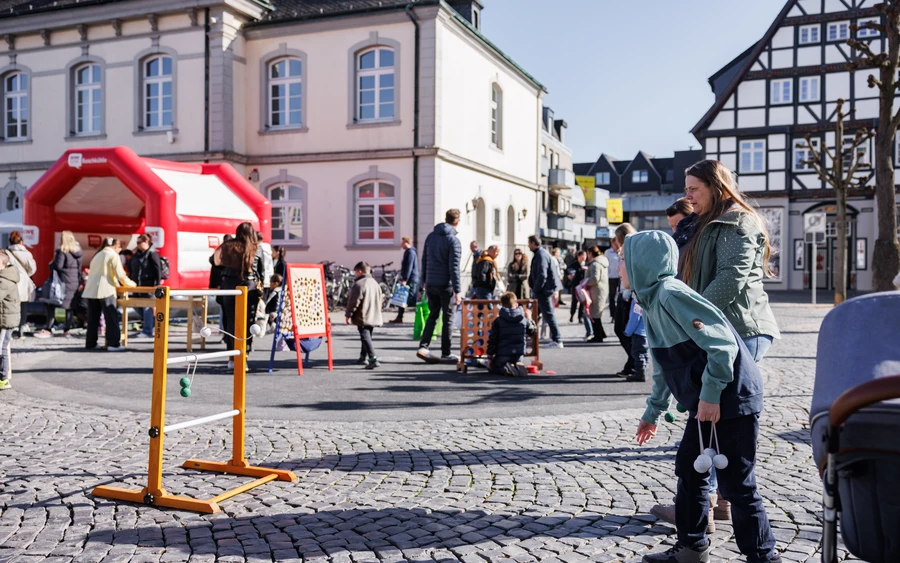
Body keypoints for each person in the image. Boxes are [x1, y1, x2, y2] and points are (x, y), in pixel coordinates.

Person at [625, 231, 780, 563]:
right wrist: (653, 412)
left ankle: (764, 557)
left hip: (732, 396)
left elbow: (722, 345)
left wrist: (710, 395)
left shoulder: (671, 294)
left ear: (642, 263)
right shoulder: (651, 303)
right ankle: (692, 548)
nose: (620, 267)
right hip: (711, 400)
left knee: (737, 483)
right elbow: (665, 366)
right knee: (689, 469)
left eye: (624, 260)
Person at [213, 222, 264, 365]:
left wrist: (225, 270)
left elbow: (214, 261)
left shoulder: (228, 246)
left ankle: (231, 358)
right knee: (249, 322)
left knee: (231, 322)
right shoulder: (256, 248)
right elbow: (261, 272)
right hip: (250, 287)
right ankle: (244, 356)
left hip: (230, 285)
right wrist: (261, 291)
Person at [417, 209, 462, 362]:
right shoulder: (453, 240)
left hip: (431, 282)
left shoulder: (431, 237)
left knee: (433, 315)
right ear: (457, 222)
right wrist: (458, 290)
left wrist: (423, 281)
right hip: (445, 284)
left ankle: (423, 346)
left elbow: (424, 260)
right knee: (448, 317)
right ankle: (446, 352)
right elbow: (454, 267)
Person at [83, 238, 136, 351]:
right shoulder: (113, 255)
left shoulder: (98, 254)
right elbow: (120, 275)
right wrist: (132, 284)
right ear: (116, 247)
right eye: (120, 248)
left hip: (91, 289)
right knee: (111, 317)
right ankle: (113, 343)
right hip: (106, 289)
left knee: (93, 318)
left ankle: (91, 343)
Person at [35, 231, 82, 338]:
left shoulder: (62, 251)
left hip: (62, 283)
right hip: (74, 282)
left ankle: (49, 328)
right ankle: (67, 330)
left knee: (50, 304)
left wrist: (51, 264)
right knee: (69, 307)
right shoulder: (78, 252)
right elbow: (79, 268)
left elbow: (58, 266)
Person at [486, 291, 536, 376]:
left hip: (503, 354)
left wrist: (490, 357)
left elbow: (493, 340)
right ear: (516, 304)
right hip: (519, 354)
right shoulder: (523, 319)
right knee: (515, 360)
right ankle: (517, 365)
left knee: (493, 367)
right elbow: (532, 331)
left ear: (502, 305)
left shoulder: (498, 321)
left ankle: (505, 368)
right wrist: (530, 319)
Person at [346, 261, 384, 369]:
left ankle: (373, 359)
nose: (355, 275)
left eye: (355, 272)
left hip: (363, 315)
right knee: (367, 336)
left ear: (359, 271)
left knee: (365, 336)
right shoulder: (375, 283)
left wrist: (348, 314)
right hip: (373, 314)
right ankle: (363, 357)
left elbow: (353, 302)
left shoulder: (359, 284)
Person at [527, 235, 563, 348]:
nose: (528, 245)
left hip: (543, 291)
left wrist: (536, 289)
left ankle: (557, 339)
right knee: (535, 315)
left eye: (529, 243)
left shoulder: (541, 255)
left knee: (548, 314)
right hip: (542, 290)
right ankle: (531, 338)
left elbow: (542, 274)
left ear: (533, 243)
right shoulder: (540, 254)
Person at [613, 223, 637, 376]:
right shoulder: (627, 250)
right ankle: (632, 361)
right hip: (624, 294)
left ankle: (633, 362)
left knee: (625, 331)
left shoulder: (630, 250)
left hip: (629, 296)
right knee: (622, 330)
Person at [128, 234, 162, 339]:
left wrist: (157, 284)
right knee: (135, 304)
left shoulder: (152, 254)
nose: (137, 245)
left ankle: (147, 331)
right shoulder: (137, 255)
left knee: (147, 307)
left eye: (139, 242)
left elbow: (157, 269)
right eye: (137, 243)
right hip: (137, 285)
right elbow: (132, 268)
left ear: (146, 242)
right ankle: (151, 323)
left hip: (148, 285)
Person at [5, 231, 36, 338]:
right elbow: (33, 269)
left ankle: (10, 330)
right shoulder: (27, 253)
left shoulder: (6, 253)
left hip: (11, 281)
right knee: (23, 307)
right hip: (23, 282)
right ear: (21, 241)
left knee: (11, 307)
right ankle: (21, 330)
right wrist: (25, 274)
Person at [0, 252, 19, 389]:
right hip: (5, 318)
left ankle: (3, 378)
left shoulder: (4, 280)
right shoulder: (6, 277)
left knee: (2, 348)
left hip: (5, 320)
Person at [390, 236, 419, 324]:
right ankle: (400, 316)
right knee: (403, 298)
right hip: (410, 278)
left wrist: (405, 279)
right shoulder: (409, 252)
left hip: (410, 279)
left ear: (407, 243)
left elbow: (409, 267)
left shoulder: (410, 253)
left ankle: (420, 315)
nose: (401, 245)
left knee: (409, 298)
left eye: (403, 243)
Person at [584, 245, 609, 344]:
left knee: (595, 314)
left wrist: (585, 282)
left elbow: (595, 278)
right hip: (601, 290)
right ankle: (601, 333)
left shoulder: (595, 264)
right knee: (596, 313)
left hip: (596, 291)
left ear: (590, 253)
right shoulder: (601, 262)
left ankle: (598, 336)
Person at [622, 287, 648, 383]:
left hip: (638, 332)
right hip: (646, 332)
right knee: (645, 353)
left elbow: (634, 318)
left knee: (637, 353)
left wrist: (628, 331)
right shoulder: (646, 298)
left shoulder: (637, 301)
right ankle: (643, 370)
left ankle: (640, 373)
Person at [567, 250, 593, 340]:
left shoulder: (587, 264)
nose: (584, 257)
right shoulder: (574, 265)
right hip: (576, 285)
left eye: (585, 255)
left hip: (583, 286)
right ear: (578, 256)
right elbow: (569, 271)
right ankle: (572, 314)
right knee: (574, 301)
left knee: (582, 302)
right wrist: (570, 275)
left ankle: (580, 317)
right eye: (582, 256)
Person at [604, 244, 621, 319]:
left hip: (621, 277)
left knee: (621, 296)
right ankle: (613, 315)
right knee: (612, 296)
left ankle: (619, 314)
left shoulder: (622, 251)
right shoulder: (608, 252)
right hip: (611, 277)